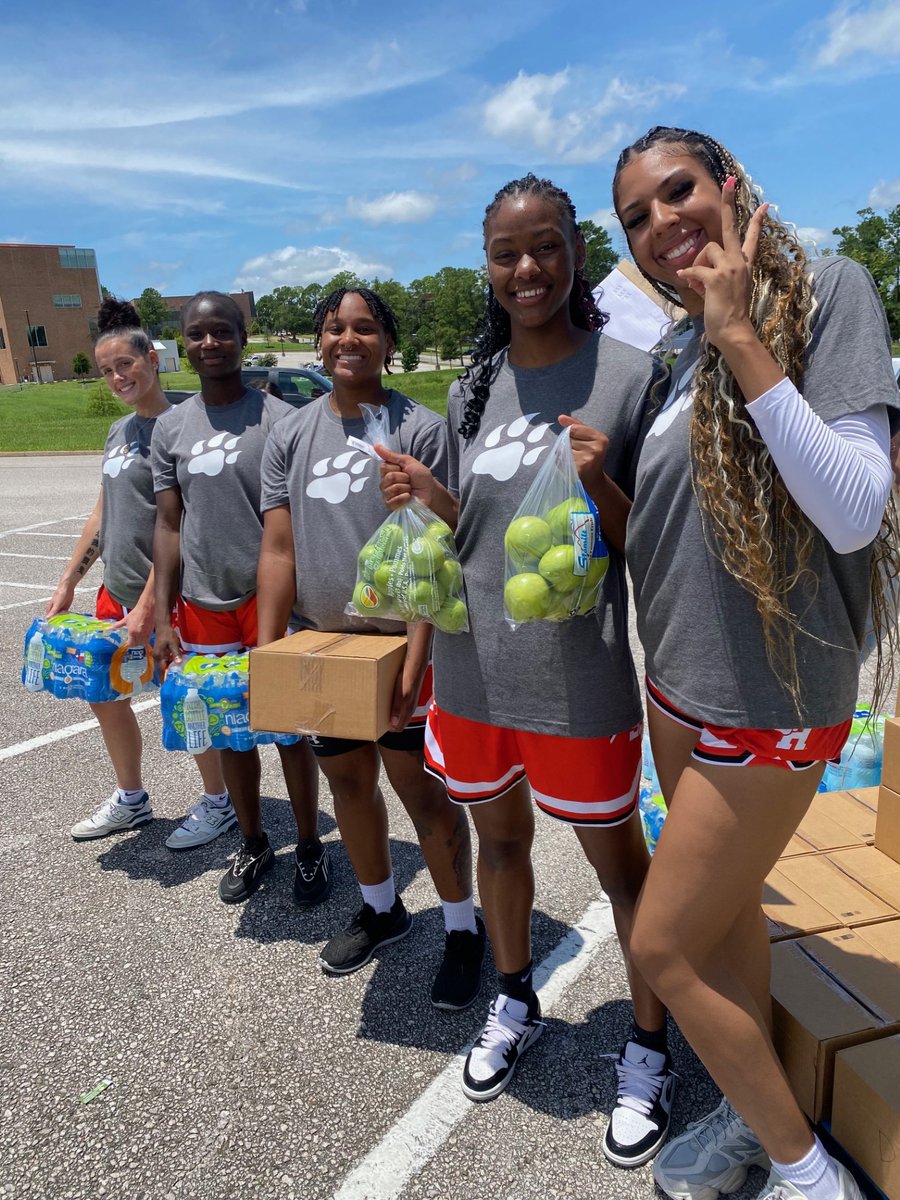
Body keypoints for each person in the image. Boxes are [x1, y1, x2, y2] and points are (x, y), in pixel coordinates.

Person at [612, 126, 900, 1200]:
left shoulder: (829, 291)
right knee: (729, 921)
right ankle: (751, 1116)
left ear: (731, 185)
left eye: (676, 191)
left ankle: (805, 1175)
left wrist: (740, 334)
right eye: (636, 216)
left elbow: (856, 507)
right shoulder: (673, 349)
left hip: (773, 691)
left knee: (665, 947)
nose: (659, 224)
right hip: (680, 682)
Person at [378, 175, 672, 1167]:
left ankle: (647, 1044)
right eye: (507, 254)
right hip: (473, 675)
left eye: (544, 246)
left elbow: (658, 551)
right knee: (498, 847)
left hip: (576, 680)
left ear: (576, 250)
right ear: (488, 270)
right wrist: (429, 494)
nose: (527, 269)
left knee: (619, 868)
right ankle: (513, 1000)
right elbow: (482, 544)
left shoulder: (629, 376)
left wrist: (603, 483)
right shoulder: (473, 389)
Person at [256, 286, 484, 1007]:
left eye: (363, 328)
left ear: (388, 342)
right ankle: (383, 909)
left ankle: (462, 927)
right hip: (325, 651)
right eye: (333, 329)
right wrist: (268, 657)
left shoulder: (417, 428)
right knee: (347, 784)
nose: (346, 339)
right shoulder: (291, 433)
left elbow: (433, 551)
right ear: (317, 344)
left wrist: (416, 667)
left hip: (401, 651)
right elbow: (280, 546)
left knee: (422, 793)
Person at [151, 291, 323, 905]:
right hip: (203, 598)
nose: (208, 344)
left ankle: (308, 846)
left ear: (242, 337)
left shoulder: (282, 418)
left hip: (270, 600)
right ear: (182, 343)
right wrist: (166, 613)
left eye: (221, 332)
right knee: (229, 728)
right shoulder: (171, 427)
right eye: (196, 334)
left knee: (288, 728)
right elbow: (169, 525)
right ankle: (252, 842)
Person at [48, 299, 233, 849]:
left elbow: (184, 524)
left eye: (124, 365)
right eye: (106, 371)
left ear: (151, 358)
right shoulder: (117, 431)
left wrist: (151, 605)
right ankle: (131, 798)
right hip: (116, 590)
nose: (116, 378)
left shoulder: (181, 428)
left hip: (170, 598)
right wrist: (69, 580)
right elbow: (102, 511)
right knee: (104, 693)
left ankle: (218, 802)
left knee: (184, 695)